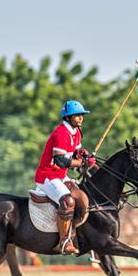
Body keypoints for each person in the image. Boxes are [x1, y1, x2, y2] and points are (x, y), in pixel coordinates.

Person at [32, 100, 96, 255]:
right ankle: (64, 242)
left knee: (83, 196)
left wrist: (84, 157)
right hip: (47, 175)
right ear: (67, 118)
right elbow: (60, 160)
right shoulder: (61, 134)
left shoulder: (76, 133)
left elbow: (74, 155)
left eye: (81, 115)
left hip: (60, 175)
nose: (81, 118)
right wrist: (81, 163)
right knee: (68, 201)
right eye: (77, 115)